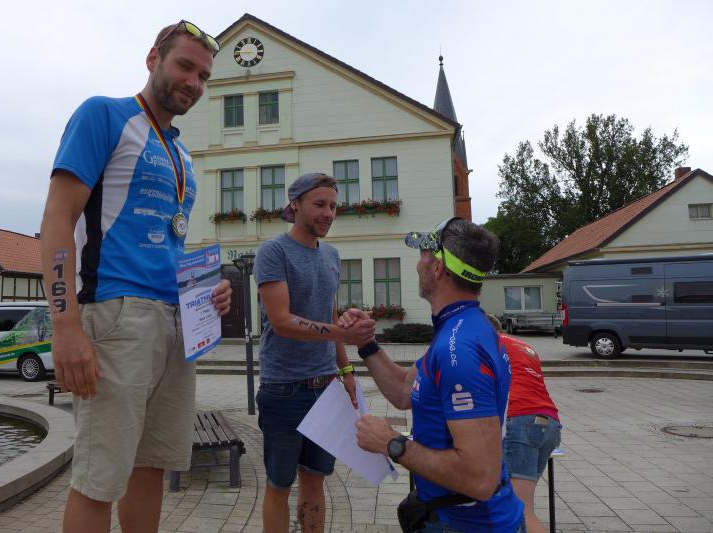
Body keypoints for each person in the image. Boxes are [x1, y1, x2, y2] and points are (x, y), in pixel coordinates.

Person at [39, 21, 232, 533]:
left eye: (203, 76)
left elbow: (168, 242)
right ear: (153, 59)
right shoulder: (104, 114)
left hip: (176, 324)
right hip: (115, 314)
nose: (193, 82)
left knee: (152, 467)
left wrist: (205, 293)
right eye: (184, 66)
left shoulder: (183, 154)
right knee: (99, 478)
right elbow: (58, 218)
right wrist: (65, 326)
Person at [342, 217, 525, 532]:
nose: (418, 265)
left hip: (470, 524)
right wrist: (366, 344)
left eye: (423, 255)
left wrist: (392, 443)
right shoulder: (460, 328)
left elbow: (480, 479)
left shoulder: (460, 348)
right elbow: (404, 390)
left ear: (438, 267)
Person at [254, 172, 376, 533]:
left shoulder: (332, 255)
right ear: (295, 204)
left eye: (333, 206)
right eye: (320, 204)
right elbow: (281, 321)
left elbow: (329, 315)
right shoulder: (274, 252)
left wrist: (346, 371)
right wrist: (342, 333)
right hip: (284, 389)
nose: (328, 213)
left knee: (315, 478)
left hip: (326, 388)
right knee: (279, 484)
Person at [488, 315, 561, 533]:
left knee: (520, 511)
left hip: (523, 420)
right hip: (549, 422)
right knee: (521, 505)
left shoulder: (491, 344)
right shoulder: (525, 347)